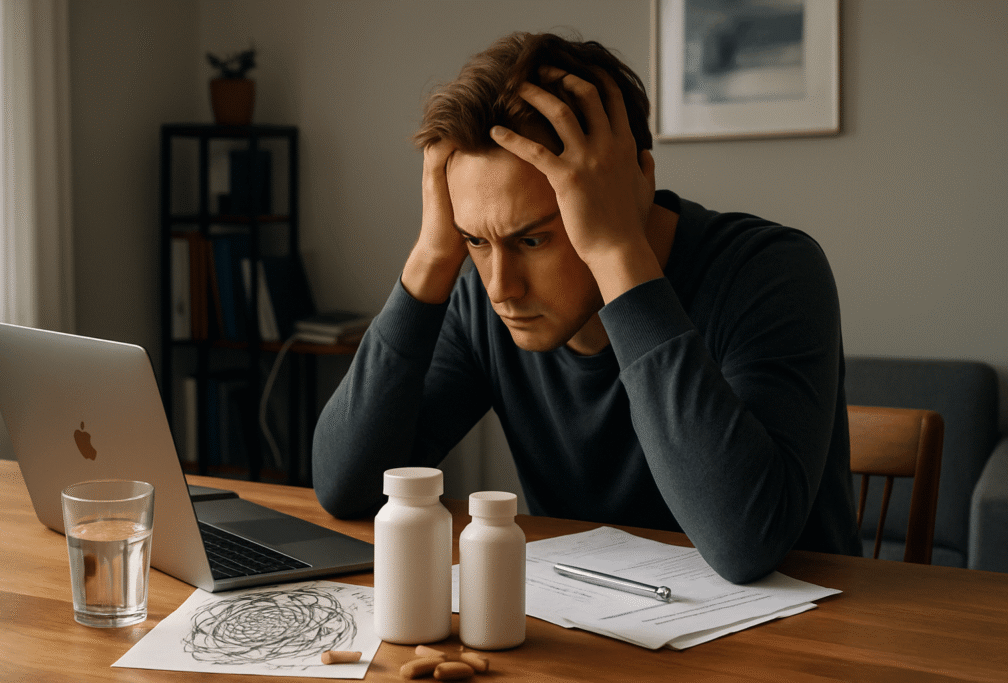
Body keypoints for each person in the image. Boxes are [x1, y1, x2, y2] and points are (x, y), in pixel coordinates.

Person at [312, 32, 861, 583]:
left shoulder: (771, 272)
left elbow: (746, 543)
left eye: (532, 241)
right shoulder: (483, 302)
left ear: (636, 184)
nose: (502, 286)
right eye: (475, 241)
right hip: (592, 640)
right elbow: (346, 488)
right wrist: (433, 255)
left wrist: (617, 251)